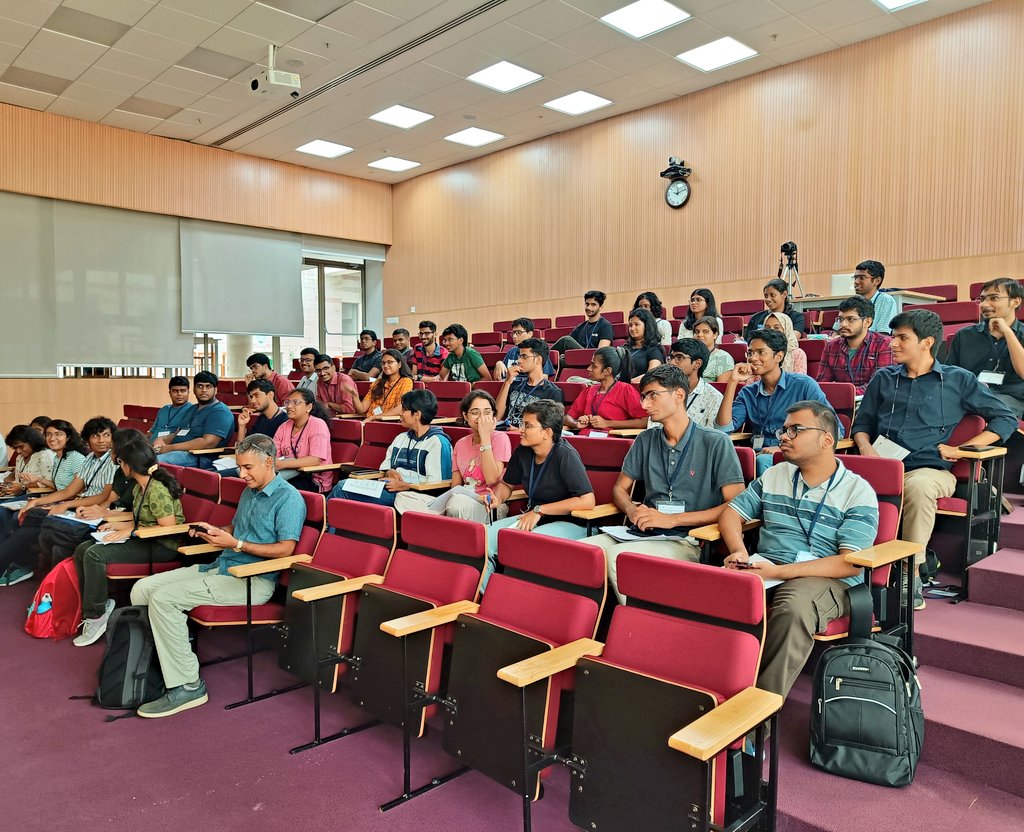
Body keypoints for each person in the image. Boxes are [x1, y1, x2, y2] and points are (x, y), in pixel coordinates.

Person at [130, 433, 306, 718]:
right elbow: (236, 529)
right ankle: (160, 661)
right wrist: (213, 530)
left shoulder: (289, 499)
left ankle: (188, 685)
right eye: (239, 467)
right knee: (142, 589)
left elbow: (286, 550)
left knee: (164, 598)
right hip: (223, 567)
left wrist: (235, 544)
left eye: (248, 467)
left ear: (269, 462)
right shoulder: (250, 491)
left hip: (252, 581)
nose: (242, 473)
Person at [851, 309, 1017, 608]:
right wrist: (867, 450)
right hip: (881, 466)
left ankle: (909, 572)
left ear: (927, 342)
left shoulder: (957, 380)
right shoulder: (884, 379)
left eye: (902, 338)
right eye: (892, 336)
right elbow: (861, 426)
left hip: (929, 469)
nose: (892, 344)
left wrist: (962, 449)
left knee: (918, 487)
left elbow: (1004, 417)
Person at [721, 401, 879, 699]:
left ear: (826, 439)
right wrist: (739, 550)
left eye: (796, 430)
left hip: (828, 579)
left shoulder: (857, 491)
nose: (784, 436)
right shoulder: (775, 474)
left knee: (793, 607)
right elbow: (731, 513)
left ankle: (757, 714)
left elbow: (849, 563)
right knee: (713, 592)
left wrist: (778, 572)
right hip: (766, 566)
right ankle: (713, 691)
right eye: (784, 429)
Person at [587, 365, 745, 603]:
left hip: (687, 539)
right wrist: (632, 509)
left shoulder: (716, 442)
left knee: (618, 557)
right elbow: (620, 489)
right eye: (643, 396)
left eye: (653, 395)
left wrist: (672, 520)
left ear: (679, 395)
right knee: (583, 553)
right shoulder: (645, 439)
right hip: (641, 533)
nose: (644, 405)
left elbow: (736, 505)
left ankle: (640, 627)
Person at [71, 440, 185, 647]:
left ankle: (96, 615)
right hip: (144, 538)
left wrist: (130, 530)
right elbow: (141, 517)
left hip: (162, 547)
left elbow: (167, 527)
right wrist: (116, 525)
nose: (119, 465)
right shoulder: (140, 488)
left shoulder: (156, 490)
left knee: (95, 554)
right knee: (82, 549)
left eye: (122, 462)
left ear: (130, 465)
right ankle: (98, 605)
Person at [484, 400, 595, 577]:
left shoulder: (565, 455)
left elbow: (588, 500)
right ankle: (482, 596)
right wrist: (498, 498)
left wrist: (540, 510)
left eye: (528, 425)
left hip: (571, 523)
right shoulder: (523, 451)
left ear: (547, 432)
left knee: (525, 544)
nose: (521, 429)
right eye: (522, 423)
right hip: (533, 517)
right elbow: (507, 484)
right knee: (485, 539)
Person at [0, 417, 116, 585]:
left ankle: (26, 568)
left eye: (106, 435)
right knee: (28, 516)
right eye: (96, 436)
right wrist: (37, 502)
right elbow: (69, 490)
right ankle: (24, 568)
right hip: (77, 506)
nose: (102, 440)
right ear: (88, 439)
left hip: (90, 511)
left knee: (32, 527)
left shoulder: (112, 461)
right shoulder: (90, 458)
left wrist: (65, 505)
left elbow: (103, 497)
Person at [717, 328, 839, 476]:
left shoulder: (803, 385)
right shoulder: (748, 392)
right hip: (759, 453)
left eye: (761, 352)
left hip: (793, 453)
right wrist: (733, 382)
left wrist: (782, 448)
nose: (753, 358)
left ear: (778, 356)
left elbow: (834, 428)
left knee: (762, 461)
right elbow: (723, 429)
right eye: (750, 353)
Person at [395, 390, 512, 523]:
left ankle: (440, 523)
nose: (481, 418)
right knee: (403, 498)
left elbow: (491, 479)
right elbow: (456, 487)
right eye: (475, 413)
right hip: (460, 502)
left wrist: (485, 437)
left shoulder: (500, 438)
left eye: (487, 413)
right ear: (465, 416)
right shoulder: (461, 444)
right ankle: (444, 523)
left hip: (488, 506)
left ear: (493, 416)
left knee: (456, 503)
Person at [330, 389, 453, 508]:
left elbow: (437, 484)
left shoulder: (437, 442)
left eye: (404, 410)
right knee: (343, 487)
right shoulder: (401, 438)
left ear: (417, 415)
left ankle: (327, 524)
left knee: (342, 488)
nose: (400, 414)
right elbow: (386, 467)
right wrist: (389, 472)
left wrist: (406, 486)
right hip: (390, 488)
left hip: (413, 495)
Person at [947, 277, 1024, 417]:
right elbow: (950, 375)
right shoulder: (964, 335)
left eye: (994, 298)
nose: (985, 304)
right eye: (982, 299)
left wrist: (1007, 332)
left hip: (1011, 399)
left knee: (992, 410)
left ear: (1015, 301)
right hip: (969, 395)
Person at [154, 372, 234, 468]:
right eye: (199, 386)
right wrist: (162, 440)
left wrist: (171, 448)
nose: (204, 390)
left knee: (152, 462)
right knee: (138, 456)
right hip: (176, 452)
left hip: (198, 456)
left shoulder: (220, 411)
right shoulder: (191, 409)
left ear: (215, 390)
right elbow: (177, 433)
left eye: (208, 387)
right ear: (194, 390)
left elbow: (208, 443)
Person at [816, 296, 893, 395]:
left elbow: (879, 385)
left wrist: (845, 393)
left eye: (850, 319)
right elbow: (823, 384)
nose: (843, 324)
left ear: (867, 322)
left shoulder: (884, 344)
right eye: (840, 319)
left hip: (871, 404)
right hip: (838, 403)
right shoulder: (831, 346)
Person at [564, 347, 647, 436]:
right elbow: (567, 418)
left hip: (610, 442)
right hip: (584, 438)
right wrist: (577, 423)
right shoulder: (589, 390)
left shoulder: (625, 390)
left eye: (594, 366)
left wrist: (607, 423)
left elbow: (644, 421)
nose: (589, 368)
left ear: (607, 371)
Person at [272, 389, 333, 493]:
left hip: (314, 479)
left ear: (308, 407)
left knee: (274, 489)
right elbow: (273, 454)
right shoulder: (283, 426)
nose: (289, 406)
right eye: (287, 402)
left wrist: (283, 464)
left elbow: (315, 460)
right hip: (290, 474)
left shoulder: (318, 425)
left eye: (296, 402)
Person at [496, 338, 563, 430]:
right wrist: (507, 382)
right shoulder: (514, 385)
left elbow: (550, 429)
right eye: (519, 356)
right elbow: (497, 416)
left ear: (538, 360)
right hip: (507, 433)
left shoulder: (553, 392)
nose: (519, 360)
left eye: (524, 356)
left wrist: (520, 431)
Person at [667, 339, 724, 428]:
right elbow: (654, 428)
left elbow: (713, 436)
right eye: (671, 358)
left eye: (679, 358)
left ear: (697, 364)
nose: (672, 363)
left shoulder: (714, 397)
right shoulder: (663, 391)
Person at [833, 260, 896, 334]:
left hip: (872, 344)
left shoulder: (886, 301)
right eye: (855, 277)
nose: (856, 281)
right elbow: (837, 332)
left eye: (861, 278)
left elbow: (883, 335)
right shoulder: (851, 302)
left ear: (877, 281)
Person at [351, 348, 414, 421]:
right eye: (383, 363)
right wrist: (354, 395)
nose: (386, 366)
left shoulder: (406, 381)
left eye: (389, 362)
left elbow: (400, 409)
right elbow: (362, 409)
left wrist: (374, 417)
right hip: (369, 422)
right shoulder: (377, 382)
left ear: (399, 364)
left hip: (388, 424)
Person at [0, 425, 55, 503]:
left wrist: (22, 487)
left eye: (21, 447)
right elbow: (18, 481)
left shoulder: (45, 455)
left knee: (2, 510)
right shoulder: (20, 457)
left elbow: (51, 482)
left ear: (31, 442)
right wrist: (8, 488)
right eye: (15, 448)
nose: (18, 451)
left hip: (38, 495)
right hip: (21, 493)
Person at [549, 290, 615, 354]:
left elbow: (601, 352)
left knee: (566, 340)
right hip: (577, 359)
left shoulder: (605, 326)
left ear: (600, 307)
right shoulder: (580, 327)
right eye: (587, 304)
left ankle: (542, 356)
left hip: (594, 359)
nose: (589, 307)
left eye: (593, 305)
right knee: (557, 360)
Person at [236, 379, 288, 443]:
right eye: (251, 397)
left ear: (270, 395)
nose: (253, 401)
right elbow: (243, 448)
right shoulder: (261, 419)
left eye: (257, 395)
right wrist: (242, 426)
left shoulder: (285, 421)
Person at [148, 376, 195, 444]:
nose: (179, 394)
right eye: (175, 391)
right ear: (170, 393)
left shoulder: (192, 410)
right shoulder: (164, 409)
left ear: (188, 392)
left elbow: (184, 436)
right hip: (150, 447)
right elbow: (151, 432)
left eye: (183, 391)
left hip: (168, 447)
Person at [622, 307, 664, 382]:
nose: (632, 328)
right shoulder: (625, 348)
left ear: (647, 326)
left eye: (636, 324)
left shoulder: (654, 350)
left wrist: (628, 384)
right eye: (630, 325)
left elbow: (652, 374)